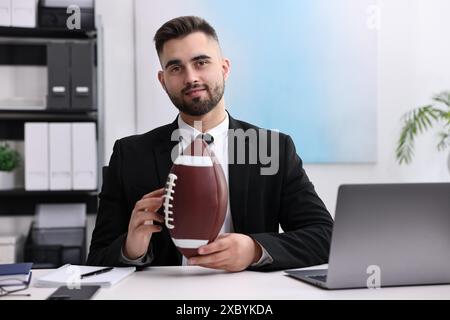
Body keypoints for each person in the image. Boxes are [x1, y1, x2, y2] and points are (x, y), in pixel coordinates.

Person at [87, 16, 333, 272]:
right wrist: (130, 249)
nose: (191, 77)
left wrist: (254, 250)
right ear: (163, 81)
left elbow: (324, 236)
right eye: (176, 68)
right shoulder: (130, 154)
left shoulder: (273, 149)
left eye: (201, 62)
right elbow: (96, 259)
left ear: (224, 68)